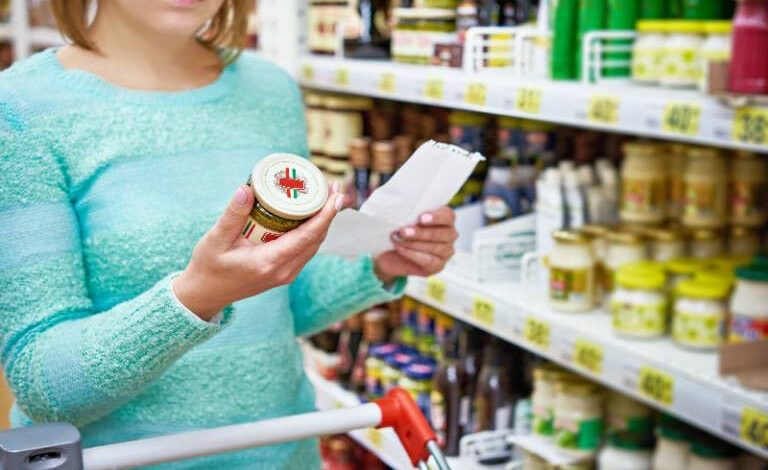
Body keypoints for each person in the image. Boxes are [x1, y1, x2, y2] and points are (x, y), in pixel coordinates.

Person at [0, 1, 458, 468]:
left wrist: (379, 260)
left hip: (284, 454)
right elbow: (42, 386)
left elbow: (281, 305)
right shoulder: (22, 111)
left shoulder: (269, 90)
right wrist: (194, 298)